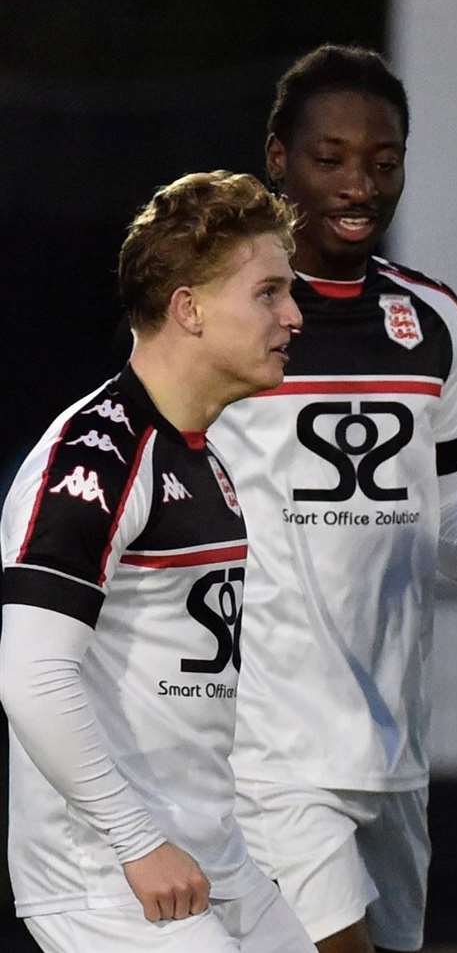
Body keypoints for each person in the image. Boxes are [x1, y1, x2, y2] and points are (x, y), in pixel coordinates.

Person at [207, 46, 457, 953]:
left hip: (394, 750)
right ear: (279, 158)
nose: (359, 183)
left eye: (383, 160)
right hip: (268, 745)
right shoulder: (225, 318)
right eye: (332, 159)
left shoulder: (433, 320)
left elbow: (445, 505)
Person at [0, 171, 311, 951]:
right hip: (109, 878)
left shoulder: (206, 457)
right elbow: (30, 677)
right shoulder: (95, 457)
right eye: (269, 293)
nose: (293, 315)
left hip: (214, 860)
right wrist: (137, 839)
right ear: (189, 308)